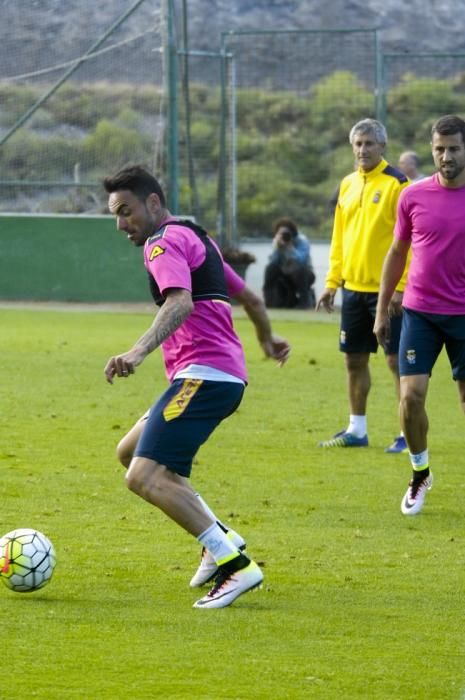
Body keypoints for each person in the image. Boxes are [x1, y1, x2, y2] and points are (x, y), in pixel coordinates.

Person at [102, 165, 290, 609]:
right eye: (115, 214)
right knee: (130, 451)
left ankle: (235, 564)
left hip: (204, 376)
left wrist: (136, 352)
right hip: (218, 376)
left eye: (126, 211)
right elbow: (251, 298)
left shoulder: (162, 242)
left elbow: (180, 301)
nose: (121, 224)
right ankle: (218, 537)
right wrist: (267, 338)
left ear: (152, 203)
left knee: (143, 476)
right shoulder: (197, 238)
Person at [374, 114, 465, 515]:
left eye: (454, 149)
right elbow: (397, 253)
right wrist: (381, 310)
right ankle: (420, 472)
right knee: (410, 398)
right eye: (440, 149)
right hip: (420, 312)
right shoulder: (413, 195)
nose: (446, 156)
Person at [317, 118, 410, 452]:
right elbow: (340, 237)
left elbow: (409, 243)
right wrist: (332, 283)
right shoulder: (347, 184)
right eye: (357, 144)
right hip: (353, 290)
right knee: (353, 360)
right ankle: (357, 430)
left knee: (396, 362)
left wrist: (400, 287)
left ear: (382, 147)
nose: (363, 149)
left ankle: (406, 434)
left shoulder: (398, 185)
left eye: (369, 143)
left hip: (387, 294)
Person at [263, 217, 316, 309]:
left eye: (286, 233)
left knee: (300, 271)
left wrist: (290, 247)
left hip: (304, 274)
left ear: (293, 233)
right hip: (285, 273)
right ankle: (270, 302)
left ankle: (304, 303)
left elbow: (301, 261)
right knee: (270, 268)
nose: (284, 236)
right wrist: (277, 248)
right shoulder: (278, 242)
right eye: (281, 233)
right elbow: (274, 262)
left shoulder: (302, 241)